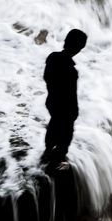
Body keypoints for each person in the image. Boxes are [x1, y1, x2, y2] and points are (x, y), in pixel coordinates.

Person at [41, 29, 87, 169]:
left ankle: (48, 151)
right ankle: (57, 161)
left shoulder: (52, 58)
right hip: (65, 107)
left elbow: (46, 77)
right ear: (79, 49)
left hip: (52, 102)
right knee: (66, 135)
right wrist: (75, 110)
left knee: (54, 125)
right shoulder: (71, 71)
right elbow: (71, 94)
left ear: (65, 41)